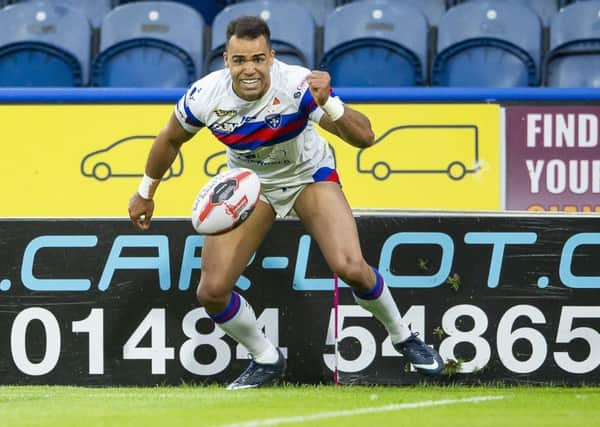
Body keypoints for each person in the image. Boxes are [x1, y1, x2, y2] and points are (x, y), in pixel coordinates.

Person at [128, 16, 444, 389]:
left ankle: (403, 336)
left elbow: (366, 138)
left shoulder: (297, 86)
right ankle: (265, 358)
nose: (249, 69)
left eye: (258, 59)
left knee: (350, 266)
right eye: (239, 60)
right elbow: (169, 140)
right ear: (226, 60)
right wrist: (146, 191)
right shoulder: (204, 96)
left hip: (308, 177)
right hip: (251, 187)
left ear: (271, 58)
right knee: (211, 292)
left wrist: (331, 103)